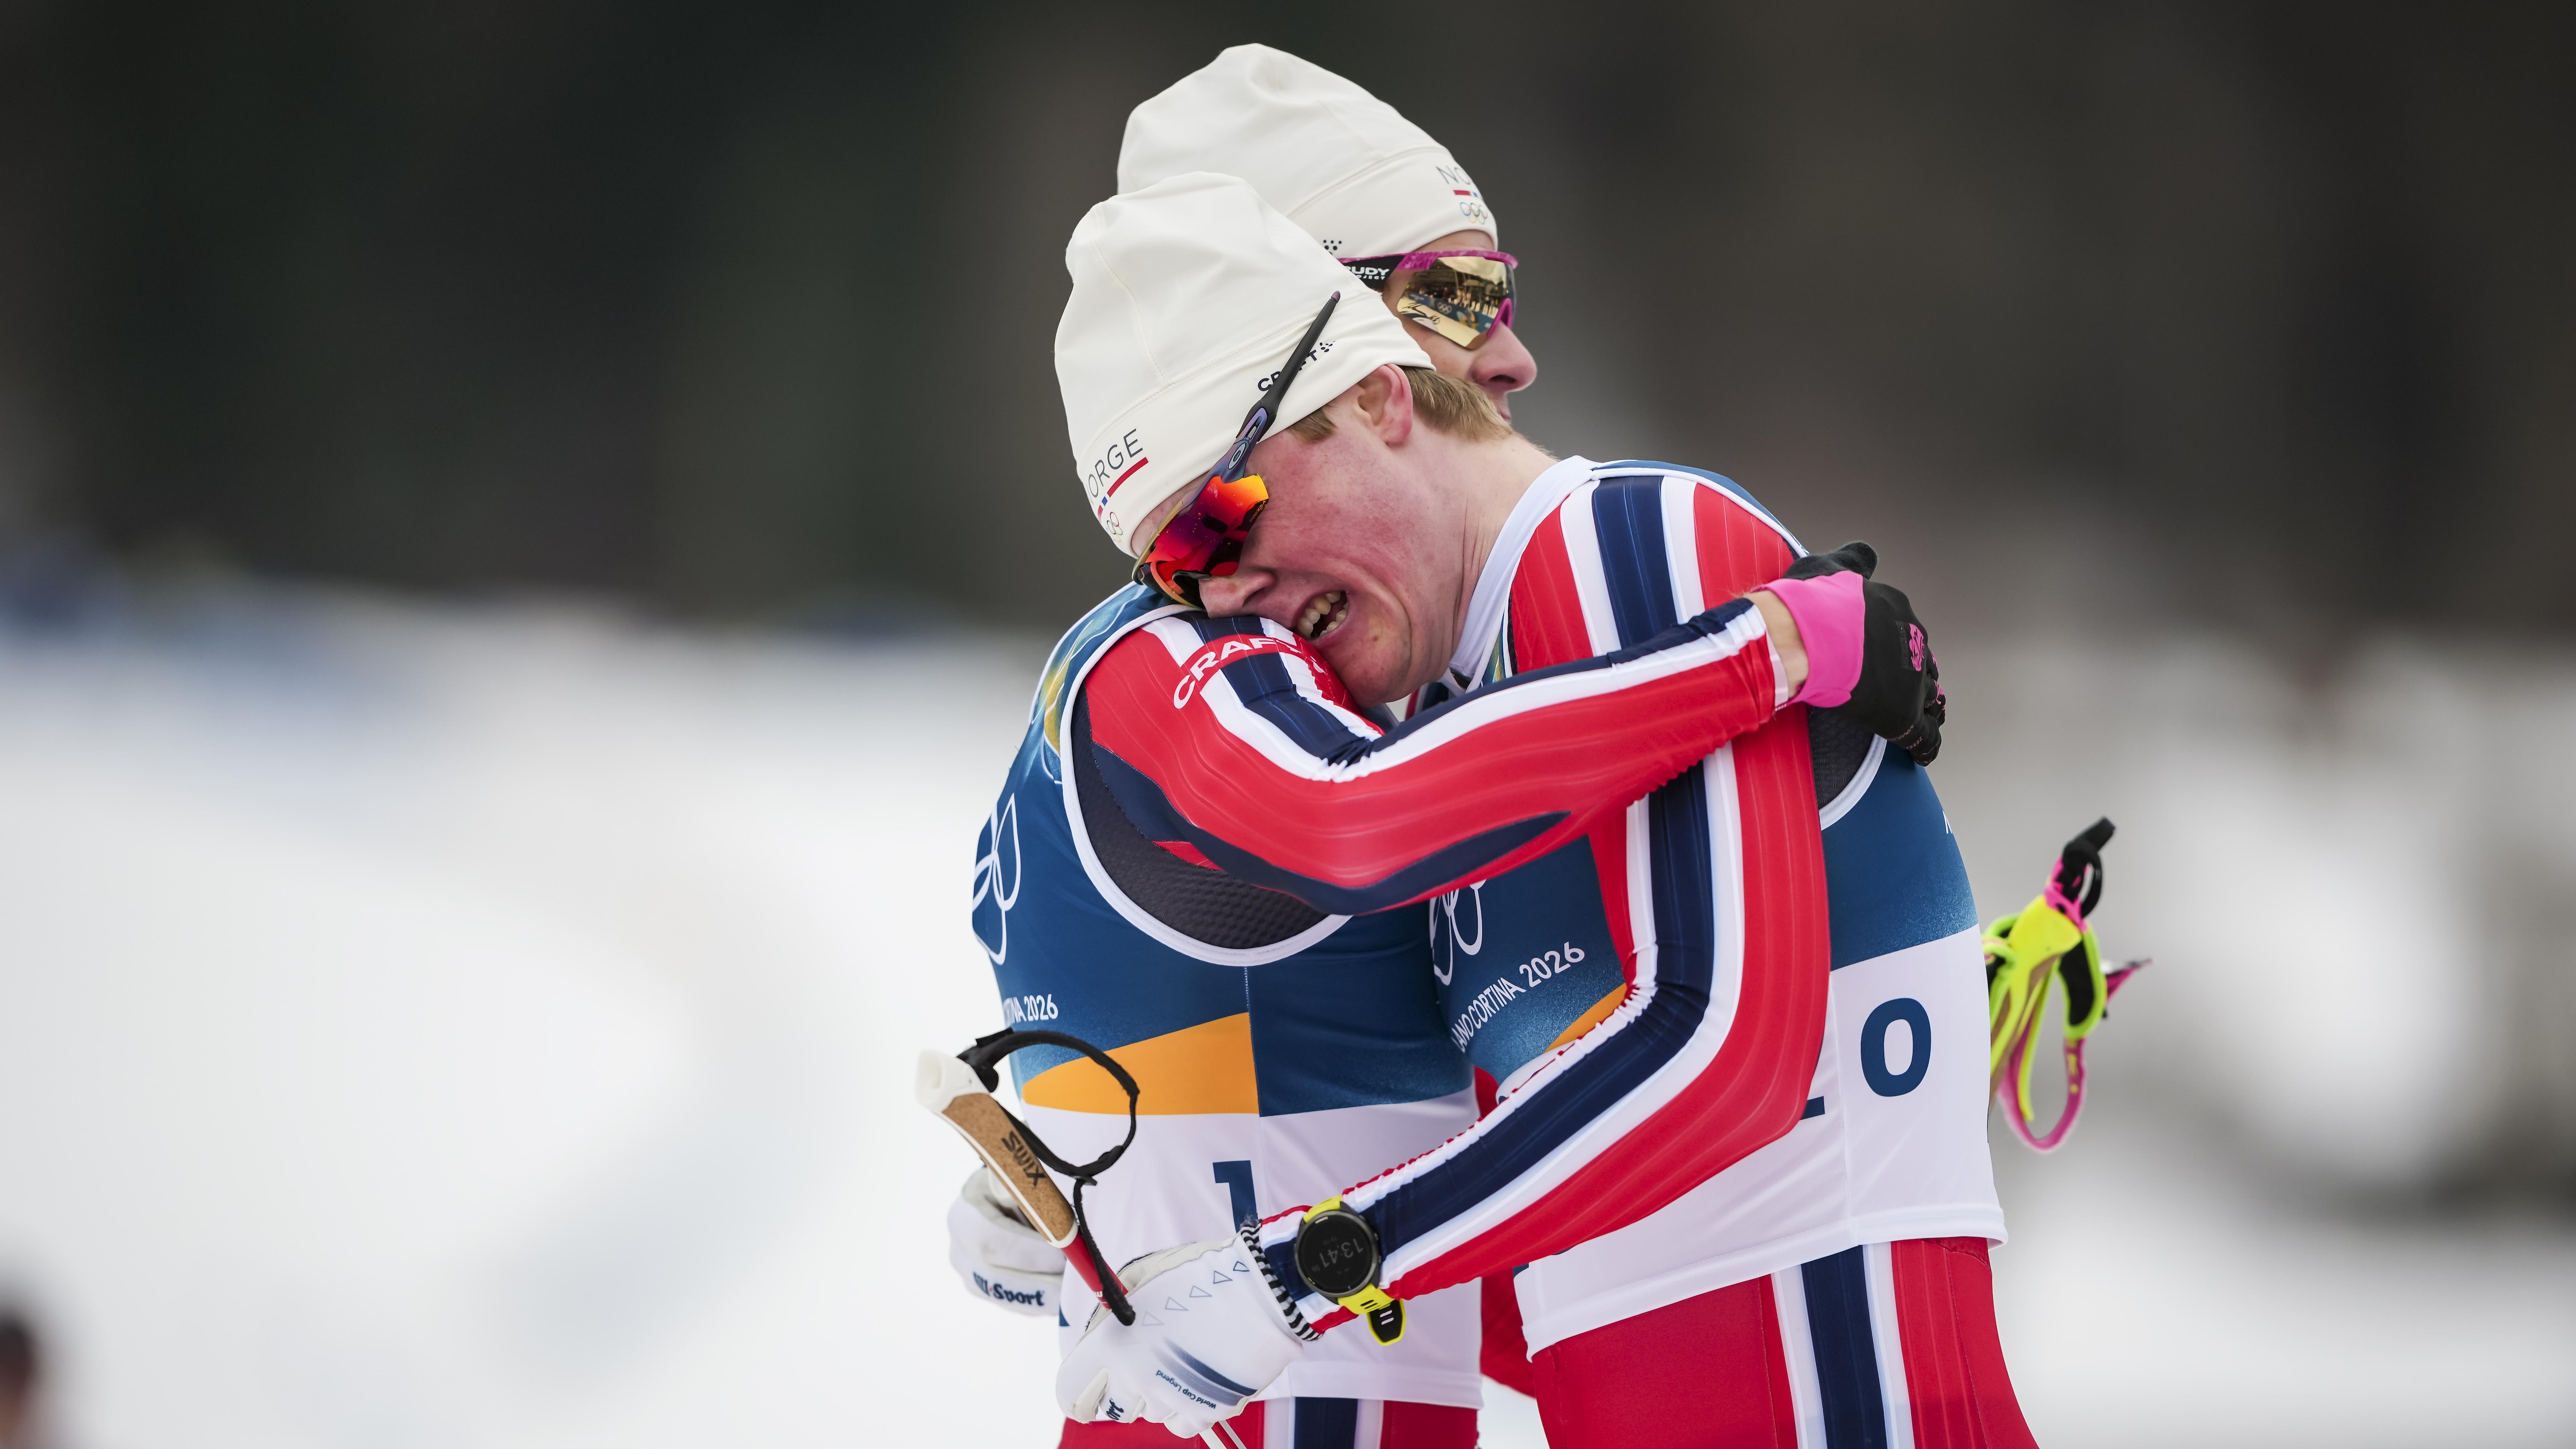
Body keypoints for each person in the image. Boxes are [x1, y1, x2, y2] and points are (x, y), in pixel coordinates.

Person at [961, 80, 1943, 1449]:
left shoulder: (1541, 628)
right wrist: (1770, 648)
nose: (1510, 356)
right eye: (1454, 295)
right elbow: (1355, 835)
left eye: (1492, 288)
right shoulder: (1246, 666)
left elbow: (1604, 1176)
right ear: (1348, 352)